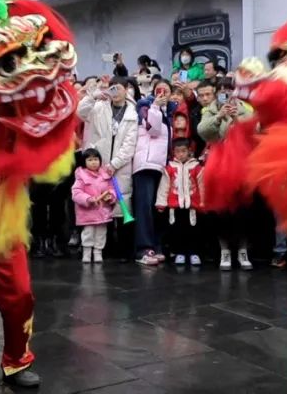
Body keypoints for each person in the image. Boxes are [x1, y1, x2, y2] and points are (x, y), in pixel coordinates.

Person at [77, 76, 138, 262]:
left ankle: (125, 251)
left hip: (120, 167)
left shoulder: (132, 114)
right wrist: (94, 95)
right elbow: (80, 111)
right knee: (101, 207)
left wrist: (115, 164)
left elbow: (130, 144)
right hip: (98, 165)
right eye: (112, 88)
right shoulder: (99, 106)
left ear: (126, 89)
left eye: (118, 88)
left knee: (122, 204)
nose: (115, 92)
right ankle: (104, 249)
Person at [198, 79, 253, 270]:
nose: (225, 93)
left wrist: (238, 118)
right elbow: (203, 132)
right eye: (221, 91)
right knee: (221, 211)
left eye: (228, 90)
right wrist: (219, 116)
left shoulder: (246, 109)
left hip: (243, 165)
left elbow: (255, 131)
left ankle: (243, 251)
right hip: (219, 166)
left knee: (244, 210)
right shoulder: (210, 110)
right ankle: (225, 252)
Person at [132, 81, 170, 266]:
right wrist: (155, 105)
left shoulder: (168, 112)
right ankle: (143, 248)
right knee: (144, 208)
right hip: (145, 164)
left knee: (158, 208)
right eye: (158, 91)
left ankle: (156, 245)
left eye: (166, 91)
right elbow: (153, 130)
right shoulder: (145, 107)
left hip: (161, 167)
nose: (162, 94)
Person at [156, 139, 203, 267]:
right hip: (175, 206)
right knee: (177, 230)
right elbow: (164, 186)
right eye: (177, 152)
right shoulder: (170, 168)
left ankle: (194, 253)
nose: (181, 154)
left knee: (194, 230)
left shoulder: (196, 167)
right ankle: (179, 252)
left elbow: (202, 185)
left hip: (192, 206)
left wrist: (204, 202)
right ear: (173, 153)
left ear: (189, 151)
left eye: (183, 151)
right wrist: (161, 203)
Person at [70, 148, 115, 264]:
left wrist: (110, 197)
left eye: (96, 159)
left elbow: (112, 189)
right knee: (88, 233)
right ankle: (87, 252)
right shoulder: (81, 175)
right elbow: (76, 193)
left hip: (102, 212)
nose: (93, 162)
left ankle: (98, 252)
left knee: (101, 233)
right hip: (87, 213)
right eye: (90, 160)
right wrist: (88, 199)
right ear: (84, 162)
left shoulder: (105, 175)